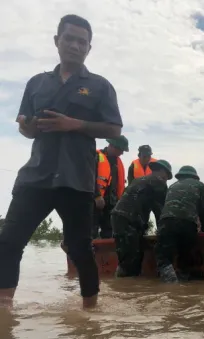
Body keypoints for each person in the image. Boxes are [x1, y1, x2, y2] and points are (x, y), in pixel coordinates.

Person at [0, 14, 123, 309]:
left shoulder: (99, 86)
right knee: (8, 242)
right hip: (36, 176)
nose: (75, 46)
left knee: (80, 249)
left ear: (89, 48)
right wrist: (26, 126)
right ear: (57, 41)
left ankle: (90, 314)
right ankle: (5, 314)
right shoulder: (36, 83)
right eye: (69, 38)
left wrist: (75, 124)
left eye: (82, 41)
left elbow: (114, 130)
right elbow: (26, 127)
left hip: (76, 178)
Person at [110, 160, 172, 278]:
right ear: (160, 171)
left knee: (129, 259)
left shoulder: (139, 181)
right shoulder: (158, 183)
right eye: (166, 176)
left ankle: (120, 289)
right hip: (129, 221)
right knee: (131, 262)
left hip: (118, 218)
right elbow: (161, 211)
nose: (166, 180)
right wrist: (164, 233)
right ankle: (126, 289)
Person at [155, 166, 204, 283]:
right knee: (184, 258)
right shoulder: (199, 185)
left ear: (179, 176)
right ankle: (182, 285)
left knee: (164, 259)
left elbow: (164, 207)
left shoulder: (172, 186)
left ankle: (171, 286)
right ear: (195, 176)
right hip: (188, 225)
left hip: (167, 223)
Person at [94, 136, 128, 239]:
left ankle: (107, 255)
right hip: (94, 202)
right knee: (90, 232)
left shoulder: (118, 163)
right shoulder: (96, 156)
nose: (122, 153)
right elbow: (88, 178)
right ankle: (89, 254)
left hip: (111, 204)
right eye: (120, 150)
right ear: (112, 146)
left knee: (109, 233)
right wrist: (97, 196)